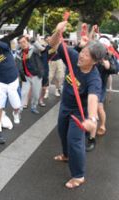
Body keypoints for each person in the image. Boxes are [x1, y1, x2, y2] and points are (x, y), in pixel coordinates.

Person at [50, 21, 106, 188]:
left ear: (95, 61)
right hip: (65, 105)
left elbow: (93, 99)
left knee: (75, 141)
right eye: (84, 51)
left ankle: (79, 175)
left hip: (79, 112)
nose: (82, 55)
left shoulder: (93, 78)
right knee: (62, 131)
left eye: (87, 55)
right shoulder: (74, 58)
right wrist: (57, 31)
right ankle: (66, 155)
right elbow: (54, 44)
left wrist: (91, 118)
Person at [0, 39, 21, 132]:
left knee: (17, 106)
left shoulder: (5, 49)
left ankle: (16, 113)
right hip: (2, 83)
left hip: (13, 81)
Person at [16, 35, 44, 114]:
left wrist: (32, 38)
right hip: (26, 76)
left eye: (24, 41)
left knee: (36, 95)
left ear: (27, 41)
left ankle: (33, 106)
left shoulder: (33, 49)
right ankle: (19, 109)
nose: (23, 44)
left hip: (36, 76)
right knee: (23, 93)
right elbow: (18, 64)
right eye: (20, 43)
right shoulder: (19, 53)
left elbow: (41, 49)